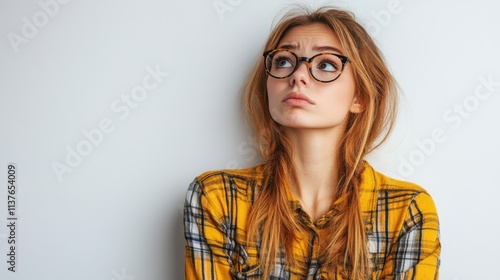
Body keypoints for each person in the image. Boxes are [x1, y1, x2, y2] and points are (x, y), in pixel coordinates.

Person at [184, 6, 440, 280]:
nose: (298, 76)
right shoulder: (217, 198)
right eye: (283, 61)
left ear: (360, 97)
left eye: (326, 64)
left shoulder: (407, 210)